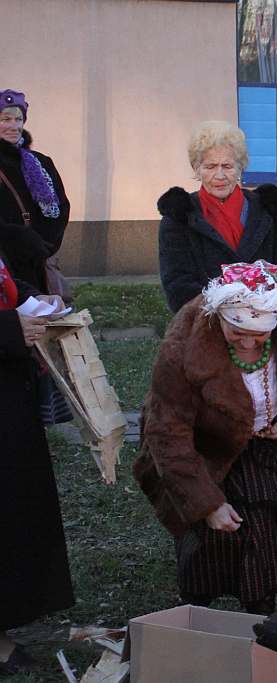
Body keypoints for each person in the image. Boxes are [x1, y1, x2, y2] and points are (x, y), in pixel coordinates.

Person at [133, 260, 277, 616]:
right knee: (206, 545)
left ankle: (260, 622)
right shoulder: (184, 346)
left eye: (260, 334)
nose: (249, 342)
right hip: (201, 452)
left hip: (260, 447)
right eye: (238, 332)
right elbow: (166, 432)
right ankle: (197, 618)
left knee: (262, 539)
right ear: (219, 316)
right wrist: (206, 504)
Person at [0, 251, 73, 675]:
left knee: (13, 512)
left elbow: (7, 284)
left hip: (9, 397)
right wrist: (11, 328)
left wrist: (37, 303)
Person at [158, 120, 277, 313]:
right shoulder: (178, 216)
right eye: (210, 166)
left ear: (240, 168)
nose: (219, 175)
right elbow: (177, 285)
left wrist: (264, 309)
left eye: (227, 166)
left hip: (268, 322)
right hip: (207, 326)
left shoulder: (269, 208)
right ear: (196, 168)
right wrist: (227, 311)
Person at [0, 90, 70, 295]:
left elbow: (61, 208)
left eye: (18, 119)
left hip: (38, 262)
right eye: (5, 119)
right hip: (6, 264)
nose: (14, 126)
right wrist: (18, 240)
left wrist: (44, 245)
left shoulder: (41, 163)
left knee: (43, 320)